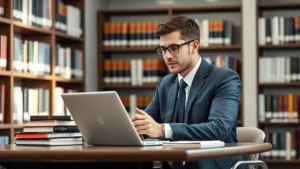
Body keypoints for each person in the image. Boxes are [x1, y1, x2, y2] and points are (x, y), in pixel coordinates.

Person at [130, 15, 245, 169]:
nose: (167, 56)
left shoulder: (224, 78)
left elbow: (219, 129)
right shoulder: (166, 84)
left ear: (194, 46)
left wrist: (163, 129)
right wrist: (132, 128)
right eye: (163, 50)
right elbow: (145, 124)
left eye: (174, 48)